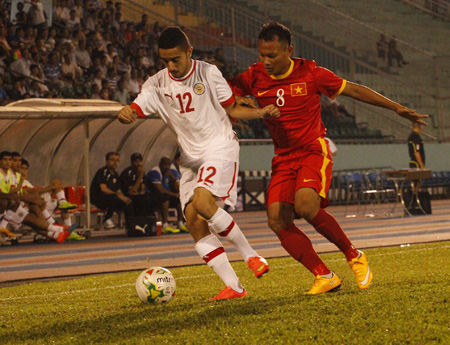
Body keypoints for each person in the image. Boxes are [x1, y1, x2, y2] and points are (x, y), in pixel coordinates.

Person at [229, 21, 428, 295]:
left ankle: (353, 254)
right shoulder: (253, 76)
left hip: (312, 150)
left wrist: (396, 108)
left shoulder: (311, 73)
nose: (266, 61)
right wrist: (245, 104)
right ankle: (324, 275)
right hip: (283, 158)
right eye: (262, 55)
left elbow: (355, 90)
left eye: (272, 55)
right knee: (276, 219)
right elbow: (225, 96)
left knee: (306, 206)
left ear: (289, 50)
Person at [118, 26, 280, 300]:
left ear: (189, 52)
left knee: (203, 204)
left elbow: (232, 109)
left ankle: (251, 255)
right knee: (193, 220)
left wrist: (261, 111)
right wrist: (127, 113)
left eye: (176, 59)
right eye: (165, 60)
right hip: (191, 158)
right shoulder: (156, 83)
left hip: (219, 146)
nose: (171, 65)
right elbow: (136, 107)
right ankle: (235, 287)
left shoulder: (208, 72)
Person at [90, 151, 131, 229]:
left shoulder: (116, 175)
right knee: (114, 198)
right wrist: (118, 196)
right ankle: (106, 219)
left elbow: (119, 191)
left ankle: (130, 223)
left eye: (117, 160)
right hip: (98, 198)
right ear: (107, 161)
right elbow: (103, 189)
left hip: (110, 197)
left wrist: (124, 198)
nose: (115, 163)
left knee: (128, 201)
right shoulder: (102, 172)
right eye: (112, 160)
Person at [145, 156, 186, 234]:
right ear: (160, 164)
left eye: (168, 165)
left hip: (161, 195)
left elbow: (177, 188)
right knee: (164, 197)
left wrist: (173, 178)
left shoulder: (169, 173)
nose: (167, 167)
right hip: (150, 196)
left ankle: (180, 223)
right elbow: (160, 189)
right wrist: (174, 194)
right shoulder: (155, 172)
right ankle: (164, 224)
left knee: (180, 198)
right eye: (165, 165)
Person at [119, 152, 155, 220]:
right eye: (136, 161)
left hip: (138, 195)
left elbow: (142, 189)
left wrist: (141, 192)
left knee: (150, 198)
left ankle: (150, 220)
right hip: (127, 196)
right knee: (140, 200)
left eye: (140, 161)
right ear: (132, 162)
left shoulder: (141, 172)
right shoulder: (127, 172)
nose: (138, 164)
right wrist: (140, 176)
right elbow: (132, 191)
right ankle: (136, 221)